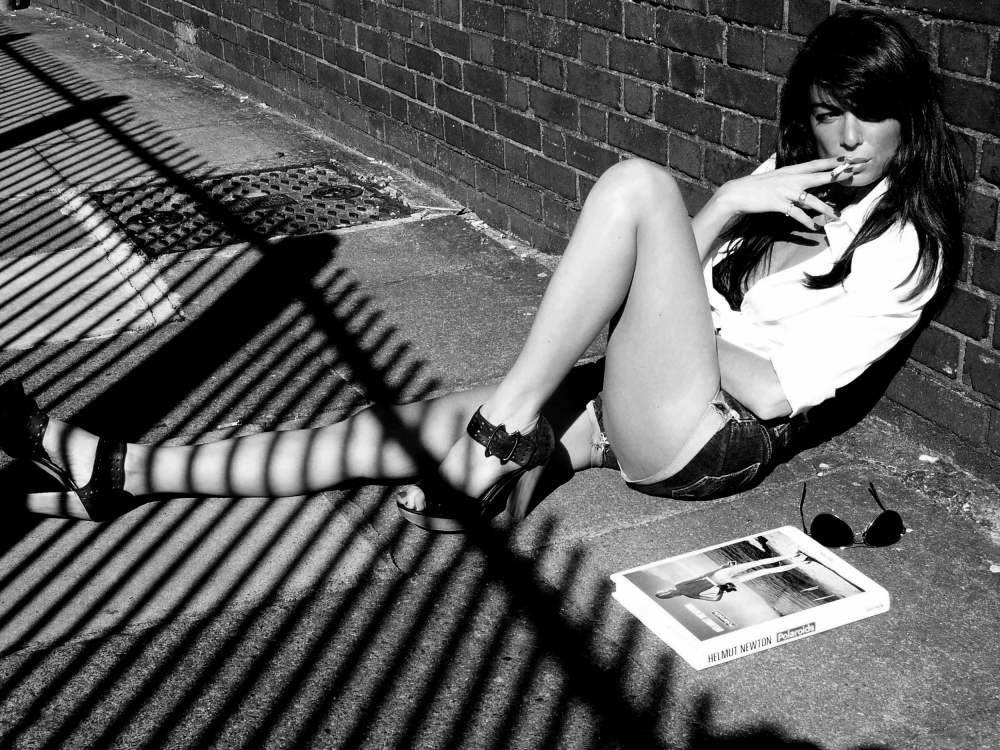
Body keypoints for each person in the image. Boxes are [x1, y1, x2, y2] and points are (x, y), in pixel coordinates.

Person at [0, 10, 964, 530]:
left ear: (906, 119)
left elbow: (774, 388)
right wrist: (726, 210)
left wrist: (670, 320)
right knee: (376, 435)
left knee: (636, 188)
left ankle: (501, 441)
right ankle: (121, 470)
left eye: (868, 116)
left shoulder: (906, 250)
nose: (846, 140)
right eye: (828, 113)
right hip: (637, 394)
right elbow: (673, 293)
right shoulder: (782, 181)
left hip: (715, 439)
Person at [654, 555, 810, 601]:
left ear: (671, 597)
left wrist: (722, 590)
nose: (668, 590)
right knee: (757, 564)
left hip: (723, 582)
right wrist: (720, 567)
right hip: (719, 575)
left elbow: (715, 599)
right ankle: (794, 555)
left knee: (762, 572)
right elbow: (700, 576)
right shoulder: (678, 585)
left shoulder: (690, 596)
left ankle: (803, 563)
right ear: (668, 591)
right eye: (666, 591)